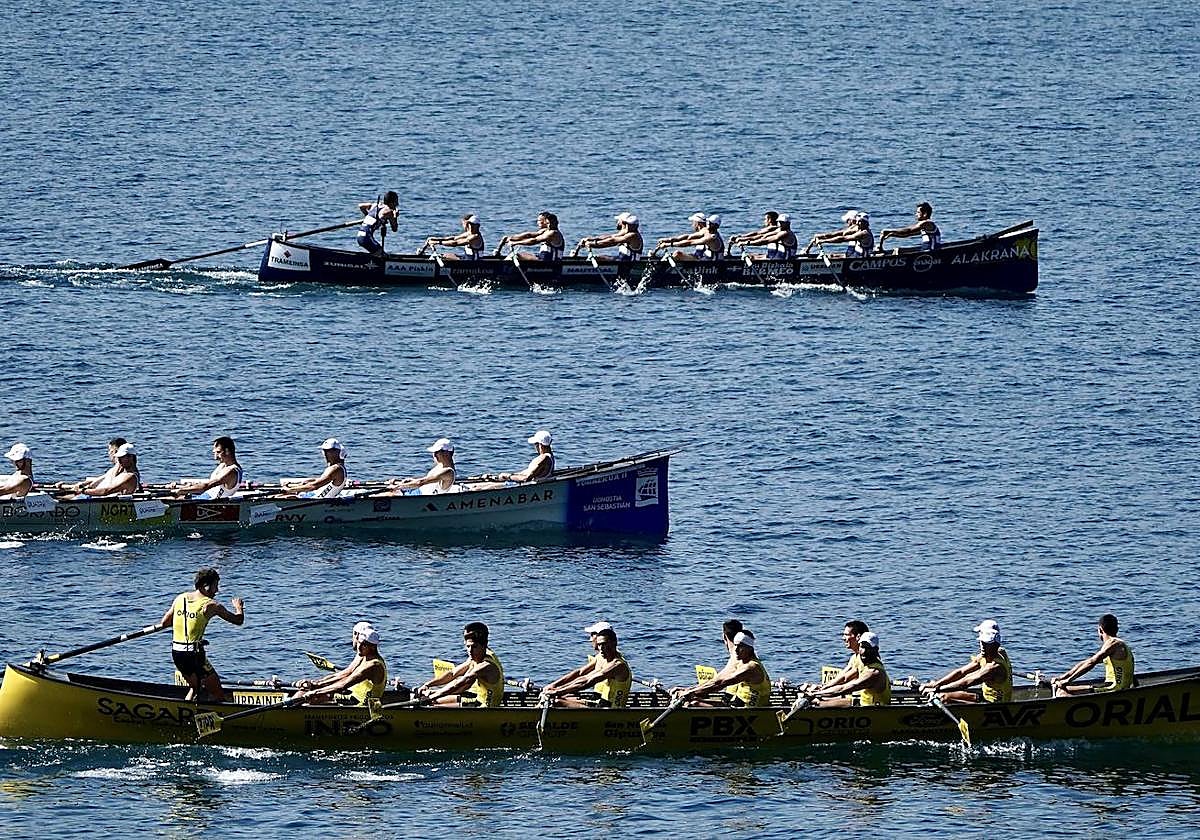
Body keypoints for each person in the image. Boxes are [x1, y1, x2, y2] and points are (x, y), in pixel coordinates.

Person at [159, 567, 245, 701]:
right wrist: (239, 607)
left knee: (195, 687)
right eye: (215, 586)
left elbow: (165, 623)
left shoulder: (180, 598)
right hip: (195, 656)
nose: (217, 591)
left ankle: (184, 711)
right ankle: (220, 710)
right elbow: (238, 620)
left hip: (177, 654)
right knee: (218, 693)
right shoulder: (211, 605)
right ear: (206, 586)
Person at [541, 622, 633, 708]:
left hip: (612, 710)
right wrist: (556, 688)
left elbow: (588, 681)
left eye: (604, 644)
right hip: (601, 703)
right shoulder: (603, 658)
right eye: (600, 645)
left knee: (556, 702)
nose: (601, 648)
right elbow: (583, 676)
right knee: (560, 697)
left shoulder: (618, 665)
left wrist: (557, 691)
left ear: (614, 643)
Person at [295, 621, 388, 706]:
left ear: (372, 647)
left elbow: (343, 685)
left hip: (362, 705)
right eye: (359, 643)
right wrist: (316, 684)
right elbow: (346, 674)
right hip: (352, 696)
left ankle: (292, 712)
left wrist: (316, 692)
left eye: (363, 645)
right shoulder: (364, 655)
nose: (359, 648)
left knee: (316, 695)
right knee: (309, 691)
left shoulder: (373, 665)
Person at [922, 620, 1013, 704]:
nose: (982, 646)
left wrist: (937, 690)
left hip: (993, 705)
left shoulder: (994, 667)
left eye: (987, 643)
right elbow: (961, 672)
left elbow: (965, 683)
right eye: (982, 642)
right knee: (946, 692)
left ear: (995, 644)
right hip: (984, 697)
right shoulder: (995, 652)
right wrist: (936, 685)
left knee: (943, 698)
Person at [416, 622, 505, 707]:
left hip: (484, 708)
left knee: (432, 703)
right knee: (433, 700)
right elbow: (452, 674)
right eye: (468, 646)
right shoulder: (477, 656)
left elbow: (458, 684)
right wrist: (427, 685)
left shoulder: (485, 666)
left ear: (484, 645)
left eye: (474, 647)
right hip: (476, 699)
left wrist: (431, 697)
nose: (470, 651)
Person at [675, 630, 772, 708]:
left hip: (751, 711)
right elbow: (716, 680)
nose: (736, 650)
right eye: (735, 645)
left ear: (749, 648)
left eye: (740, 646)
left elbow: (720, 684)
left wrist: (690, 693)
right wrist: (689, 689)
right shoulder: (741, 662)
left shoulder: (751, 667)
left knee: (693, 704)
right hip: (737, 706)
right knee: (693, 701)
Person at [1052, 613, 1135, 696]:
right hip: (1115, 687)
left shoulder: (1113, 643)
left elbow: (1092, 662)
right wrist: (1063, 677)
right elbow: (1086, 662)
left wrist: (1068, 680)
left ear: (1100, 630)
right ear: (1117, 629)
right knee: (1063, 688)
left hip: (1114, 689)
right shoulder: (1120, 644)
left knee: (1061, 693)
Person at [809, 631, 891, 707]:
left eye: (868, 648)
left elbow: (844, 688)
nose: (864, 651)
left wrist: (815, 694)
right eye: (862, 647)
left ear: (876, 650)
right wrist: (822, 688)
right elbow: (845, 678)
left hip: (874, 710)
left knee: (817, 703)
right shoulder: (865, 663)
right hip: (862, 703)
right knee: (818, 700)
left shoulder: (874, 672)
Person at [799, 620, 870, 697]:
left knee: (815, 700)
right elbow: (842, 675)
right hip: (849, 692)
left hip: (859, 697)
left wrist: (822, 689)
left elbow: (845, 679)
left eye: (847, 635)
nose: (843, 638)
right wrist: (822, 686)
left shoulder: (865, 659)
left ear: (858, 637)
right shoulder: (854, 658)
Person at [172, 436, 243, 499]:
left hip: (211, 501)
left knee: (171, 498)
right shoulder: (223, 465)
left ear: (227, 451)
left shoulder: (231, 471)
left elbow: (206, 486)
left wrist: (181, 491)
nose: (215, 457)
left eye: (218, 452)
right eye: (214, 453)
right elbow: (208, 483)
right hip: (205, 495)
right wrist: (182, 487)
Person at [54, 437, 127, 493]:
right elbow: (100, 480)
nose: (108, 453)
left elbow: (105, 487)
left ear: (115, 452)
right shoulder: (114, 470)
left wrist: (82, 488)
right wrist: (79, 485)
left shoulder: (120, 468)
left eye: (110, 450)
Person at [389, 438, 457, 495]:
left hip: (421, 497)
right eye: (434, 452)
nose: (434, 455)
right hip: (418, 492)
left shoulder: (448, 471)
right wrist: (410, 481)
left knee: (388, 494)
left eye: (436, 452)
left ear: (446, 453)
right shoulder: (440, 466)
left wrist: (398, 486)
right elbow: (427, 481)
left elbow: (420, 482)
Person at [282, 438, 347, 498]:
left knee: (279, 496)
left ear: (338, 452)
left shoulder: (336, 469)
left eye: (328, 451)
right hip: (314, 495)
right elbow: (320, 481)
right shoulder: (337, 468)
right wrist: (297, 484)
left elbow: (314, 486)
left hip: (318, 500)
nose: (325, 454)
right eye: (324, 450)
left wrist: (288, 490)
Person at [72, 442, 141, 497]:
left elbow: (106, 491)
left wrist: (83, 491)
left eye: (122, 457)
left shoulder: (130, 476)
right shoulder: (124, 473)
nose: (119, 460)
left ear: (131, 457)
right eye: (118, 457)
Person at [575, 213, 644, 263]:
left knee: (598, 258)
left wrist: (593, 244)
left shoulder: (632, 235)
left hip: (629, 264)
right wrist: (591, 239)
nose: (617, 222)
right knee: (598, 258)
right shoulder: (625, 232)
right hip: (623, 261)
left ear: (624, 223)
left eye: (619, 220)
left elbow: (612, 241)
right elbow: (610, 237)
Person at [498, 212, 565, 261]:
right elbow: (529, 235)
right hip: (541, 259)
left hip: (550, 263)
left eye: (551, 223)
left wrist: (515, 243)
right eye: (547, 223)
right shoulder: (546, 231)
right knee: (521, 254)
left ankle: (501, 269)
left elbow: (534, 240)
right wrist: (511, 238)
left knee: (515, 255)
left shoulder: (553, 233)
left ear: (557, 222)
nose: (549, 225)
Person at [656, 213, 724, 261]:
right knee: (674, 255)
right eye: (708, 222)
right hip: (701, 259)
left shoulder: (712, 237)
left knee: (677, 254)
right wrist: (667, 240)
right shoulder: (705, 231)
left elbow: (690, 242)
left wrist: (669, 245)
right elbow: (688, 237)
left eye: (710, 223)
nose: (708, 223)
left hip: (712, 265)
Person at [806, 210, 874, 257]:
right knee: (831, 255)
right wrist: (822, 236)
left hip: (862, 257)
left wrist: (823, 241)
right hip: (855, 255)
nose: (858, 223)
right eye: (858, 221)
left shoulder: (864, 233)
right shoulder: (858, 228)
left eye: (861, 222)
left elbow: (843, 239)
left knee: (831, 257)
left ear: (866, 223)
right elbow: (841, 233)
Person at [356, 191, 399, 256]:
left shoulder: (375, 205)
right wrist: (395, 216)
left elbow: (361, 206)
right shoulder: (389, 211)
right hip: (366, 238)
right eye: (396, 202)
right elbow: (394, 229)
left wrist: (368, 216)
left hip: (360, 235)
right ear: (391, 203)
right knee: (383, 256)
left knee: (379, 253)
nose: (397, 204)